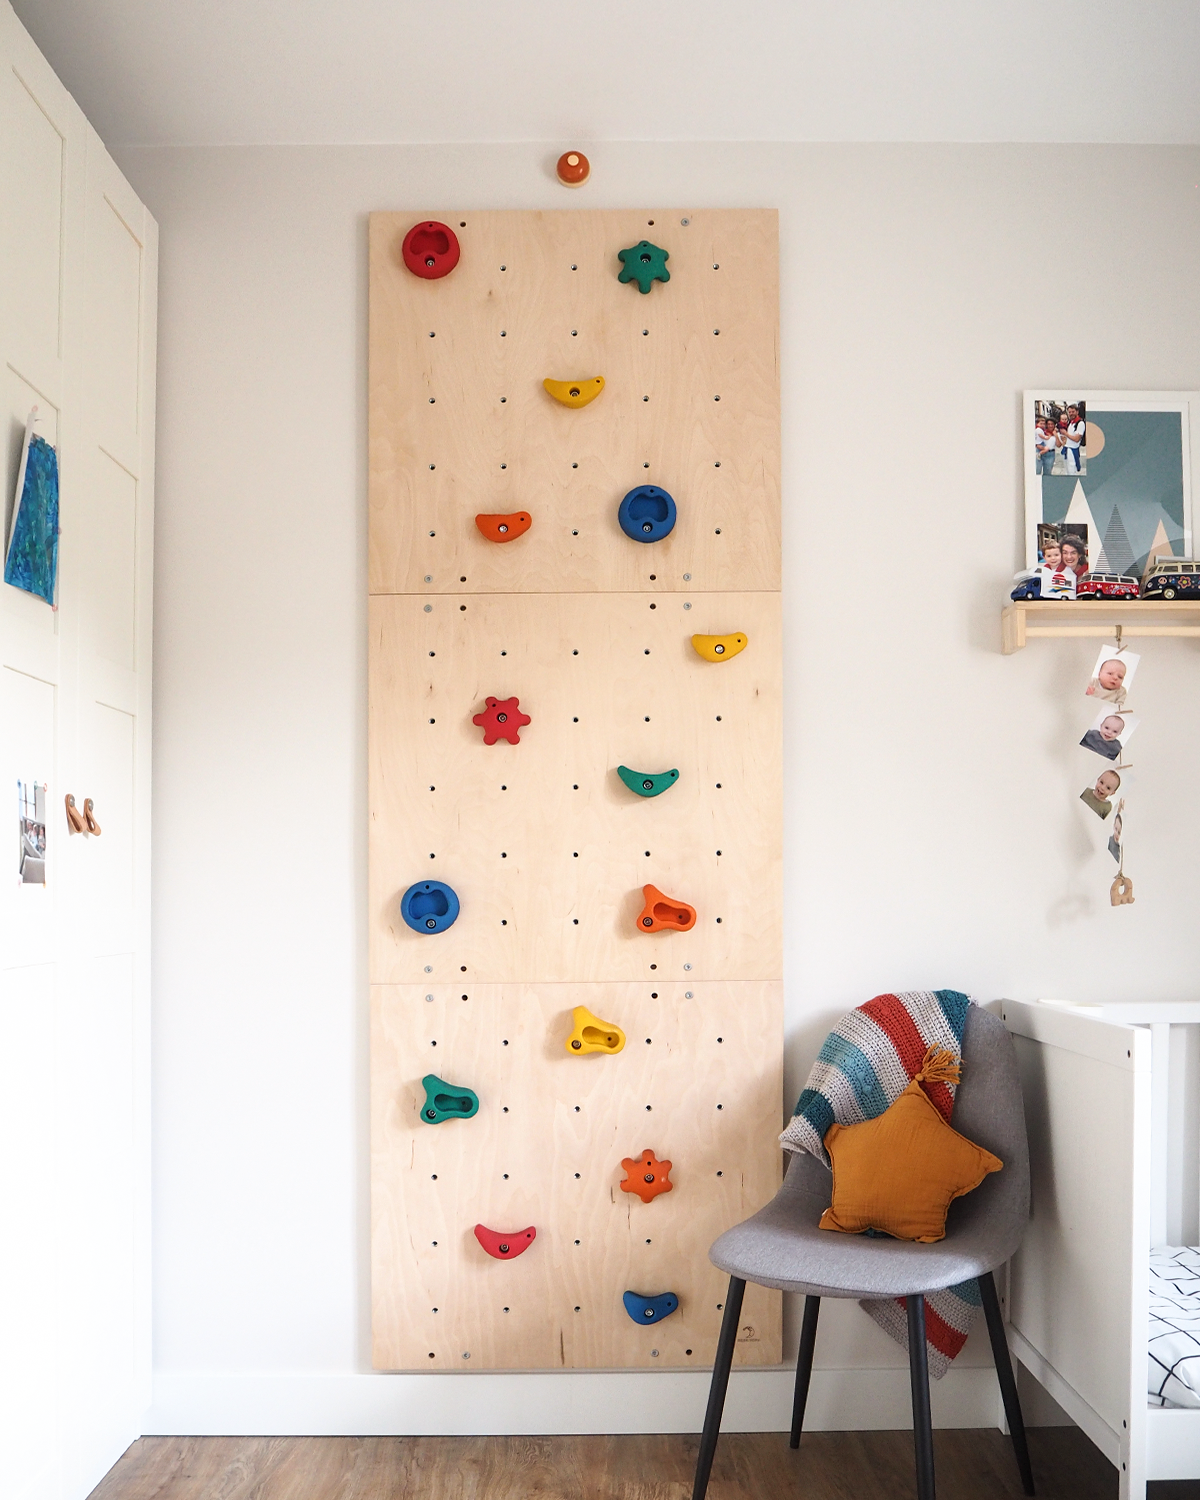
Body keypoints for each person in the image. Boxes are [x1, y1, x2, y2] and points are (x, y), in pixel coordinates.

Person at [1063, 405, 1086, 473]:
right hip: (1067, 449)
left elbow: (1076, 439)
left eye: (1073, 411)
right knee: (1067, 469)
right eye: (1069, 412)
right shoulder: (1070, 422)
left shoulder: (1080, 423)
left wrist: (1065, 433)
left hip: (1073, 450)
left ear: (1077, 412)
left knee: (1072, 470)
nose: (1071, 413)